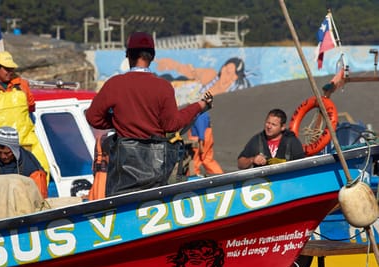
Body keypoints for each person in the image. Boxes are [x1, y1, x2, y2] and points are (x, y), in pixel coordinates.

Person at [86, 32, 212, 196]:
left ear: (128, 56)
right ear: (152, 57)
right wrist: (199, 106)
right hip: (156, 170)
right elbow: (172, 125)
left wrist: (119, 121)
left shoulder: (115, 84)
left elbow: (93, 117)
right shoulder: (163, 87)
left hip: (122, 173)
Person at [0, 126, 48, 198]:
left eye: (7, 153)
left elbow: (40, 197)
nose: (3, 156)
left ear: (15, 150)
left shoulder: (30, 165)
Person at [237, 108, 305, 169]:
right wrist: (252, 159)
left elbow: (302, 165)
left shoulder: (292, 141)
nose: (269, 126)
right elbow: (240, 164)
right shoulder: (257, 140)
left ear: (282, 127)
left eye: (273, 124)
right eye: (268, 123)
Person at [187, 110, 223, 176]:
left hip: (198, 140)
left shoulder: (199, 113)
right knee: (207, 159)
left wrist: (201, 142)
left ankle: (193, 176)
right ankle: (218, 174)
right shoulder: (205, 113)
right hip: (208, 138)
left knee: (195, 160)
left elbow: (201, 128)